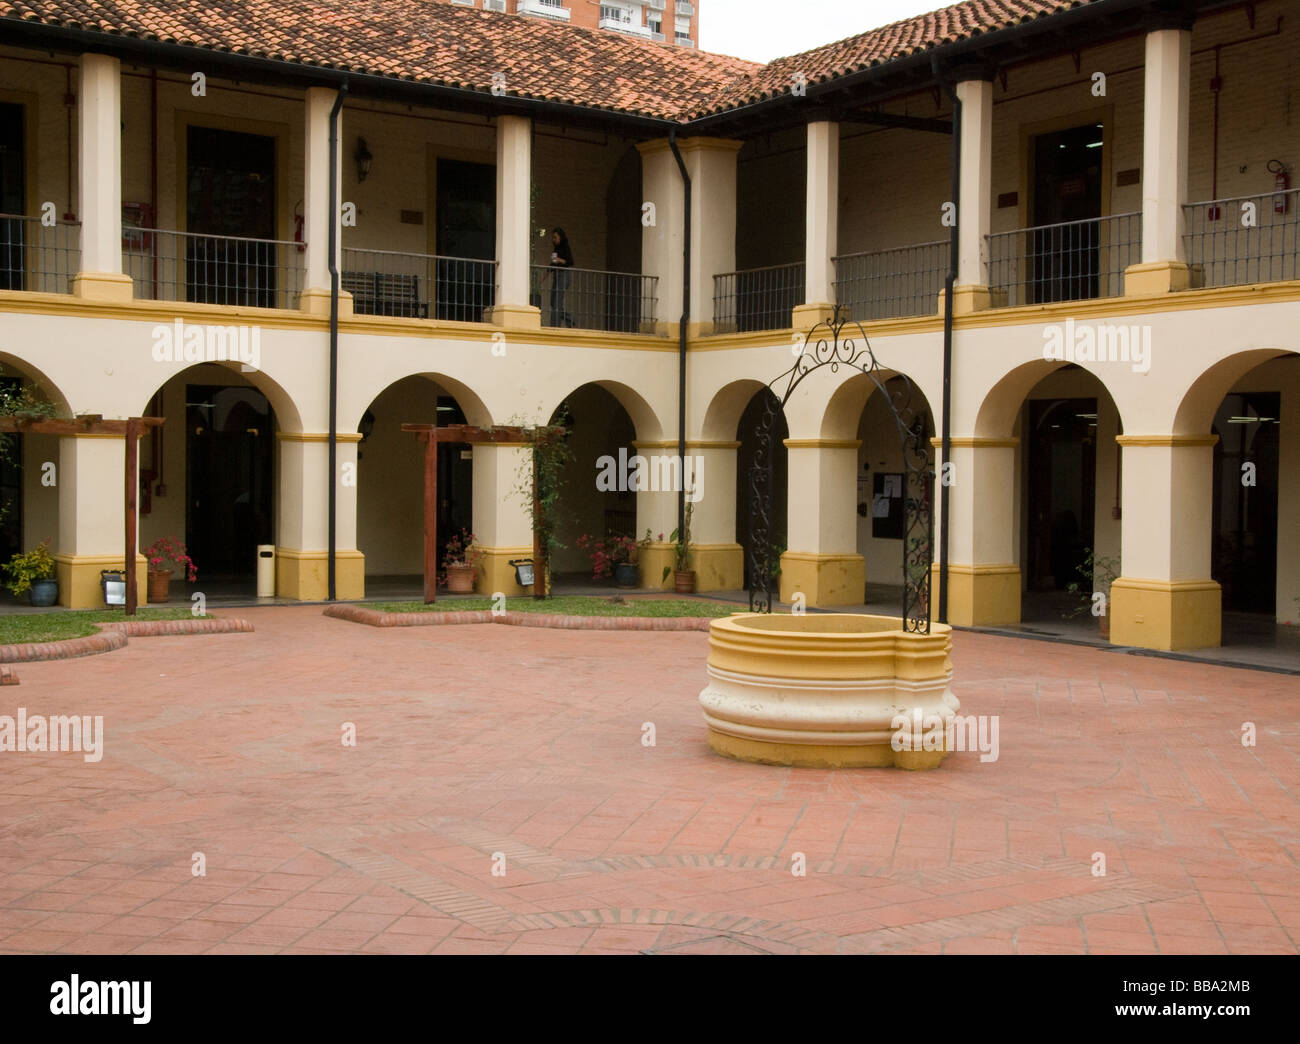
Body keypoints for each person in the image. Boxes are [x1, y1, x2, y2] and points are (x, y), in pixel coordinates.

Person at [548, 228, 574, 327]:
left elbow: (570, 261)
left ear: (560, 237)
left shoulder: (565, 247)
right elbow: (553, 265)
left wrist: (559, 260)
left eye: (555, 237)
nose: (553, 240)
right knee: (553, 301)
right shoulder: (556, 248)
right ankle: (569, 319)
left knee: (557, 302)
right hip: (557, 275)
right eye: (553, 238)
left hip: (564, 275)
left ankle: (555, 326)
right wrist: (543, 277)